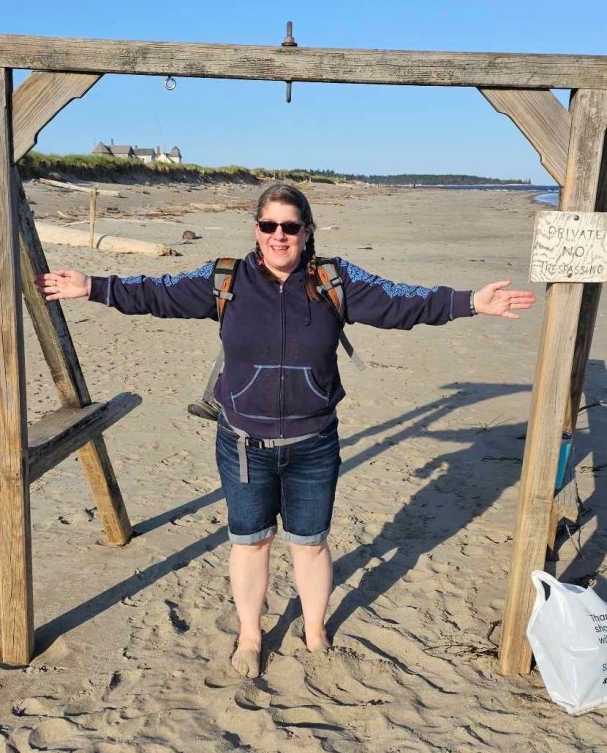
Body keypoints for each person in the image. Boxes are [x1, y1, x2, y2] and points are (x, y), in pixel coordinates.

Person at [35, 184, 536, 679]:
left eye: (290, 226)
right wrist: (93, 286)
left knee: (310, 543)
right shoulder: (224, 278)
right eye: (269, 225)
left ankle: (315, 632)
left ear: (306, 231)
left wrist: (471, 301)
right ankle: (251, 635)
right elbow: (159, 292)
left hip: (314, 444)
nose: (279, 236)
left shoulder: (333, 279)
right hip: (243, 445)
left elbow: (401, 302)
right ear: (256, 230)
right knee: (250, 542)